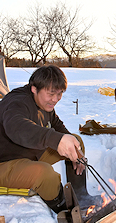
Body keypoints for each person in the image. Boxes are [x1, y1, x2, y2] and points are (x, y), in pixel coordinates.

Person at [0, 65, 94, 213]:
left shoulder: (44, 103)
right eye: (51, 94)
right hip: (5, 163)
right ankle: (67, 211)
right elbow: (16, 127)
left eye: (60, 93)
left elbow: (57, 125)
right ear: (34, 89)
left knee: (75, 142)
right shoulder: (16, 102)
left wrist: (69, 144)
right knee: (46, 175)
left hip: (30, 154)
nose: (56, 99)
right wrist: (55, 140)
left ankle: (80, 197)